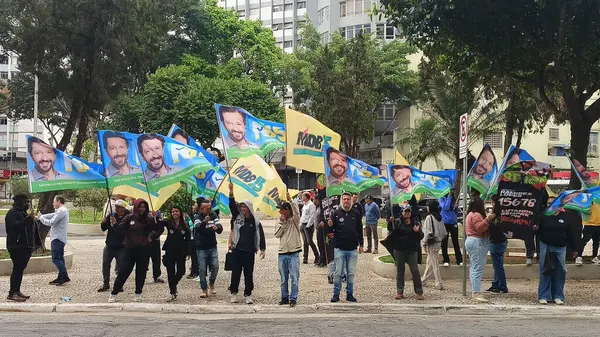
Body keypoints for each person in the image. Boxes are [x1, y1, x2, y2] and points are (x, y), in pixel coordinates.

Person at [109, 199, 164, 303]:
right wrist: (114, 224)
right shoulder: (129, 217)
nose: (142, 209)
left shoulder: (149, 219)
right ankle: (114, 293)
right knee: (124, 271)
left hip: (144, 249)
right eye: (140, 206)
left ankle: (138, 293)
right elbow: (120, 229)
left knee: (141, 272)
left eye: (144, 207)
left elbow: (159, 228)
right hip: (130, 249)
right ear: (136, 207)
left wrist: (152, 235)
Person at [227, 182, 266, 304]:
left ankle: (248, 294)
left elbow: (261, 235)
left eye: (245, 207)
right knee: (235, 273)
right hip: (237, 250)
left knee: (248, 274)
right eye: (241, 206)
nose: (243, 209)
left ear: (249, 208)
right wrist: (231, 191)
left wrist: (262, 249)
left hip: (249, 251)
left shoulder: (255, 221)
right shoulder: (236, 217)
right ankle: (234, 293)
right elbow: (232, 205)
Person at [534, 196, 577, 305]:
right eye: (548, 203)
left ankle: (558, 295)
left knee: (560, 270)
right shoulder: (542, 215)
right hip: (546, 246)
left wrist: (575, 248)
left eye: (553, 203)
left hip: (561, 247)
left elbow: (570, 233)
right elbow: (535, 231)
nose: (550, 205)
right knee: (545, 270)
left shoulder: (565, 216)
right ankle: (543, 295)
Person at [328, 192, 364, 303]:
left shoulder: (356, 213)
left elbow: (359, 230)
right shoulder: (336, 213)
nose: (346, 201)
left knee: (351, 273)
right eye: (344, 199)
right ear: (341, 201)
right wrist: (329, 225)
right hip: (339, 248)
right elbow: (331, 229)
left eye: (348, 199)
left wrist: (361, 244)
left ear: (351, 200)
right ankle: (336, 294)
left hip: (352, 249)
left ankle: (349, 294)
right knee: (338, 273)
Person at [5, 194, 41, 302]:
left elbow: (29, 228)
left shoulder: (22, 213)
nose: (27, 204)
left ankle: (17, 290)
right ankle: (12, 293)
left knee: (20, 269)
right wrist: (27, 219)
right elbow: (14, 227)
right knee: (17, 269)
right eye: (25, 202)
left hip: (25, 246)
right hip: (16, 246)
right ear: (19, 202)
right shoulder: (12, 213)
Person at [388, 204, 424, 300]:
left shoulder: (415, 223)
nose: (407, 213)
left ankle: (419, 291)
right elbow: (391, 230)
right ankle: (400, 291)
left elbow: (421, 236)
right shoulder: (397, 222)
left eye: (408, 211)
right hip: (399, 250)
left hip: (412, 250)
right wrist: (390, 222)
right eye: (405, 211)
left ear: (411, 213)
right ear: (402, 212)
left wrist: (417, 232)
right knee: (400, 271)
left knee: (415, 270)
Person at [274, 198, 302, 307]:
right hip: (282, 253)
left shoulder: (295, 220)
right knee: (283, 278)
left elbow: (296, 211)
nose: (280, 212)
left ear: (287, 210)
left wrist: (291, 202)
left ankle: (293, 298)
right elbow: (277, 235)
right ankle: (284, 297)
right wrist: (283, 223)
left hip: (294, 252)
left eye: (281, 210)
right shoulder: (279, 221)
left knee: (294, 277)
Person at [38, 195, 70, 286]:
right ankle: (61, 277)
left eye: (54, 201)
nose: (52, 203)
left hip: (57, 238)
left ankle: (64, 276)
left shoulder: (61, 211)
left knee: (56, 259)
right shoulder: (63, 211)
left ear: (59, 201)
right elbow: (52, 215)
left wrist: (41, 218)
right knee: (60, 258)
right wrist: (42, 215)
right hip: (60, 238)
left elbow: (51, 222)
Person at [97, 199, 129, 292]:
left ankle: (119, 284)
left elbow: (122, 231)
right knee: (105, 264)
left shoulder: (127, 217)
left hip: (121, 246)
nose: (116, 209)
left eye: (119, 207)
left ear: (123, 208)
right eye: (116, 207)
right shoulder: (111, 216)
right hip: (110, 245)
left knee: (121, 266)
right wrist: (103, 222)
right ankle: (105, 283)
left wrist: (115, 223)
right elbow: (104, 228)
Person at [464, 198, 492, 303]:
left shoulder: (469, 214)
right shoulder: (476, 215)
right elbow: (479, 227)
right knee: (478, 268)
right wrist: (487, 219)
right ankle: (476, 292)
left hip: (471, 240)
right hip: (477, 241)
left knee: (474, 267)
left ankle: (474, 290)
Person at [194, 199, 223, 298]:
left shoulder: (213, 215)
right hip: (201, 248)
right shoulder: (197, 217)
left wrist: (217, 227)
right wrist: (204, 222)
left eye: (210, 208)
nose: (209, 210)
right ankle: (204, 289)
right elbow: (198, 229)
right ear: (202, 209)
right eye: (207, 208)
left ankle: (211, 282)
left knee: (215, 266)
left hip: (212, 246)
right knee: (202, 268)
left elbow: (220, 228)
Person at [162, 207, 192, 302]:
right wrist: (154, 216)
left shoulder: (185, 224)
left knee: (181, 271)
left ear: (180, 212)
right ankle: (172, 292)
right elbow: (158, 224)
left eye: (177, 211)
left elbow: (188, 240)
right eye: (173, 211)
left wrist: (188, 252)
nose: (175, 213)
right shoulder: (168, 222)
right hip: (170, 251)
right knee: (170, 273)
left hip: (181, 251)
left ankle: (173, 284)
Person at [420, 200, 447, 290]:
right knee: (430, 262)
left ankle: (439, 283)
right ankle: (424, 280)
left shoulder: (429, 218)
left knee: (434, 264)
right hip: (438, 242)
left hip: (432, 243)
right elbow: (444, 233)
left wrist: (423, 243)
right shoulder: (440, 218)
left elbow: (426, 232)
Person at [486, 195, 509, 294]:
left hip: (496, 242)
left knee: (498, 265)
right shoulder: (503, 214)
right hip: (501, 241)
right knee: (497, 265)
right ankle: (496, 284)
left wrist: (488, 219)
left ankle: (503, 286)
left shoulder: (495, 216)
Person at [439, 192, 463, 266]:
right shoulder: (441, 198)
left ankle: (459, 260)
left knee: (455, 241)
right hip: (445, 222)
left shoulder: (453, 198)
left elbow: (455, 210)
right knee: (444, 242)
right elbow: (445, 207)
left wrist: (455, 207)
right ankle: (446, 260)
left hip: (453, 222)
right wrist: (449, 197)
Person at [300, 192, 319, 264]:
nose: (302, 197)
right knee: (305, 242)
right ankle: (305, 257)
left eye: (303, 196)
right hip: (303, 224)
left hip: (308, 225)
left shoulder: (311, 205)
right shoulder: (304, 205)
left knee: (309, 241)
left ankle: (317, 255)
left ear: (307, 197)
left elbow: (312, 216)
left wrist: (308, 225)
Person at [313, 195, 327, 267]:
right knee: (319, 245)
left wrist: (323, 221)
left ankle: (323, 260)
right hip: (318, 229)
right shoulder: (316, 207)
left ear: (317, 200)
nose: (313, 201)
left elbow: (325, 216)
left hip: (322, 230)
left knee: (322, 245)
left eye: (314, 199)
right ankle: (320, 259)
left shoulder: (321, 208)